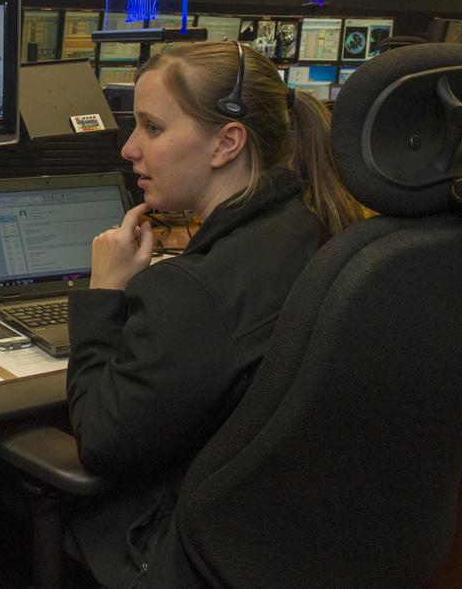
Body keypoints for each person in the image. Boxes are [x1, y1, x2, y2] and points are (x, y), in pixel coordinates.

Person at [65, 41, 364, 586]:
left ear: (227, 142)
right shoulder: (325, 226)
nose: (130, 149)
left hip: (184, 556)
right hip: (304, 544)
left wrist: (104, 294)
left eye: (152, 128)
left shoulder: (193, 290)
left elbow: (99, 441)